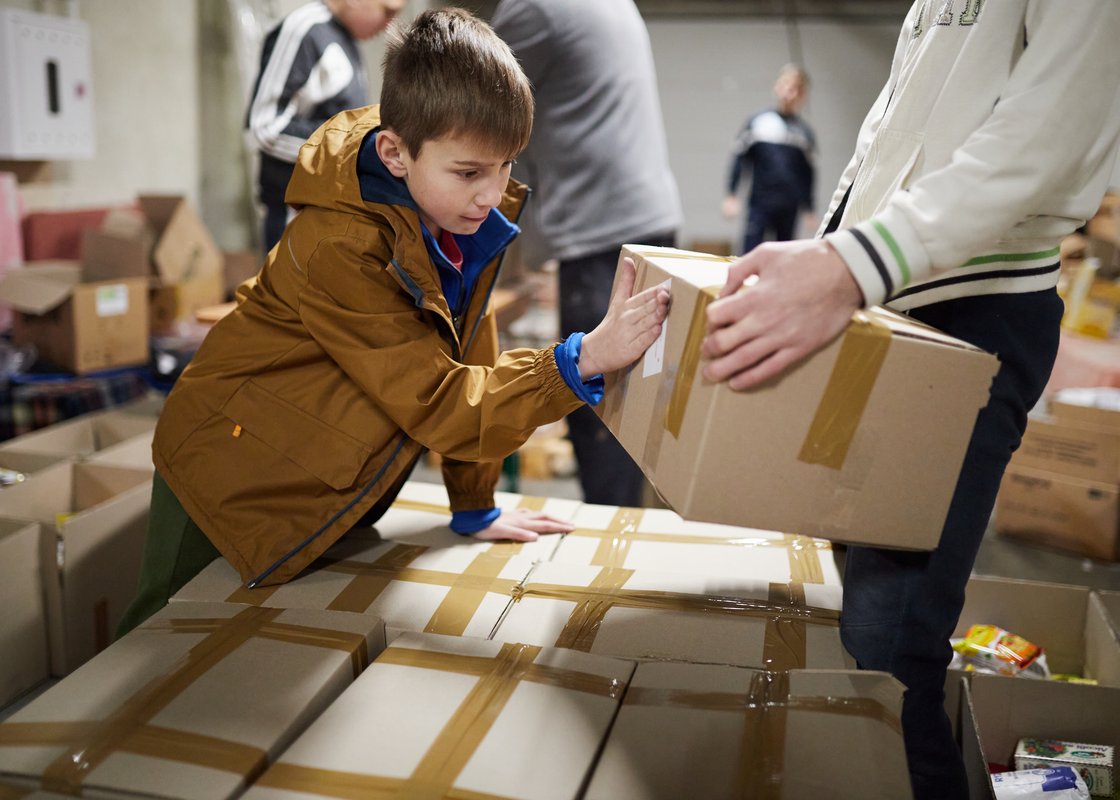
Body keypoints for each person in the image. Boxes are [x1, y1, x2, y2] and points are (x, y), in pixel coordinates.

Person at [117, 8, 670, 637]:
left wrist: (473, 502)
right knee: (151, 648)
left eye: (507, 166)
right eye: (468, 172)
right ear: (395, 153)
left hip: (316, 475)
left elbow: (470, 355)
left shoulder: (454, 217)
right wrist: (580, 360)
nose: (492, 194)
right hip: (225, 475)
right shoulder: (344, 247)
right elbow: (438, 397)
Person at [701, 3, 1120, 798]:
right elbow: (894, 135)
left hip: (973, 306)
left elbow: (1049, 128)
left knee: (888, 657)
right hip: (895, 302)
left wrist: (851, 264)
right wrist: (834, 251)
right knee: (853, 617)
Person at [491, 0, 683, 508]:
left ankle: (607, 563)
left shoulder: (536, 7)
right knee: (630, 410)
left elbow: (463, 98)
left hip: (603, 231)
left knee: (597, 402)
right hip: (645, 218)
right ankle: (617, 543)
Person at [246, 0, 405, 253]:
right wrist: (355, 147)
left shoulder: (346, 39)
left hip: (332, 213)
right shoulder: (304, 30)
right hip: (295, 214)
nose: (390, 24)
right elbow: (264, 128)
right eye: (387, 11)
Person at [721, 64, 816, 255]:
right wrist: (731, 194)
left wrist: (809, 208)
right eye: (786, 85)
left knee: (783, 257)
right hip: (760, 203)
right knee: (750, 255)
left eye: (796, 88)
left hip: (789, 207)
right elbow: (740, 158)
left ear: (803, 94)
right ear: (777, 86)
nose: (790, 92)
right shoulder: (757, 121)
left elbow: (808, 173)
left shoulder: (804, 133)